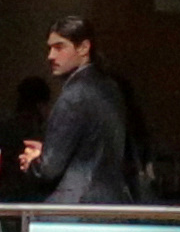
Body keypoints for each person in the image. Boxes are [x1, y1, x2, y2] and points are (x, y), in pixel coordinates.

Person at [17, 20, 138, 204]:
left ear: (83, 48)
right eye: (50, 48)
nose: (51, 56)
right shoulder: (111, 87)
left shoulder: (74, 96)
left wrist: (33, 162)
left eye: (59, 47)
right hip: (111, 200)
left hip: (75, 204)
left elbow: (48, 169)